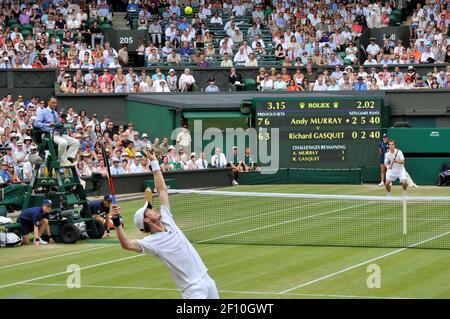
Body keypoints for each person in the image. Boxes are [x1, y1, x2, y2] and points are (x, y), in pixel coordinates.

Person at [112, 149, 219, 299]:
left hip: (207, 280)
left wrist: (154, 164)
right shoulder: (152, 242)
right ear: (146, 220)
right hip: (193, 290)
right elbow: (127, 244)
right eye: (149, 210)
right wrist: (116, 222)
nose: (154, 208)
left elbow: (162, 190)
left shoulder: (167, 219)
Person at [34, 97, 79, 166]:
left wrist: (68, 126)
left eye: (55, 103)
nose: (54, 104)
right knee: (63, 142)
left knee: (76, 142)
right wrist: (48, 124)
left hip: (57, 133)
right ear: (48, 102)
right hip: (47, 134)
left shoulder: (55, 113)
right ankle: (61, 160)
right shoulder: (42, 111)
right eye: (52, 102)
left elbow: (58, 125)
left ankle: (67, 159)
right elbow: (36, 123)